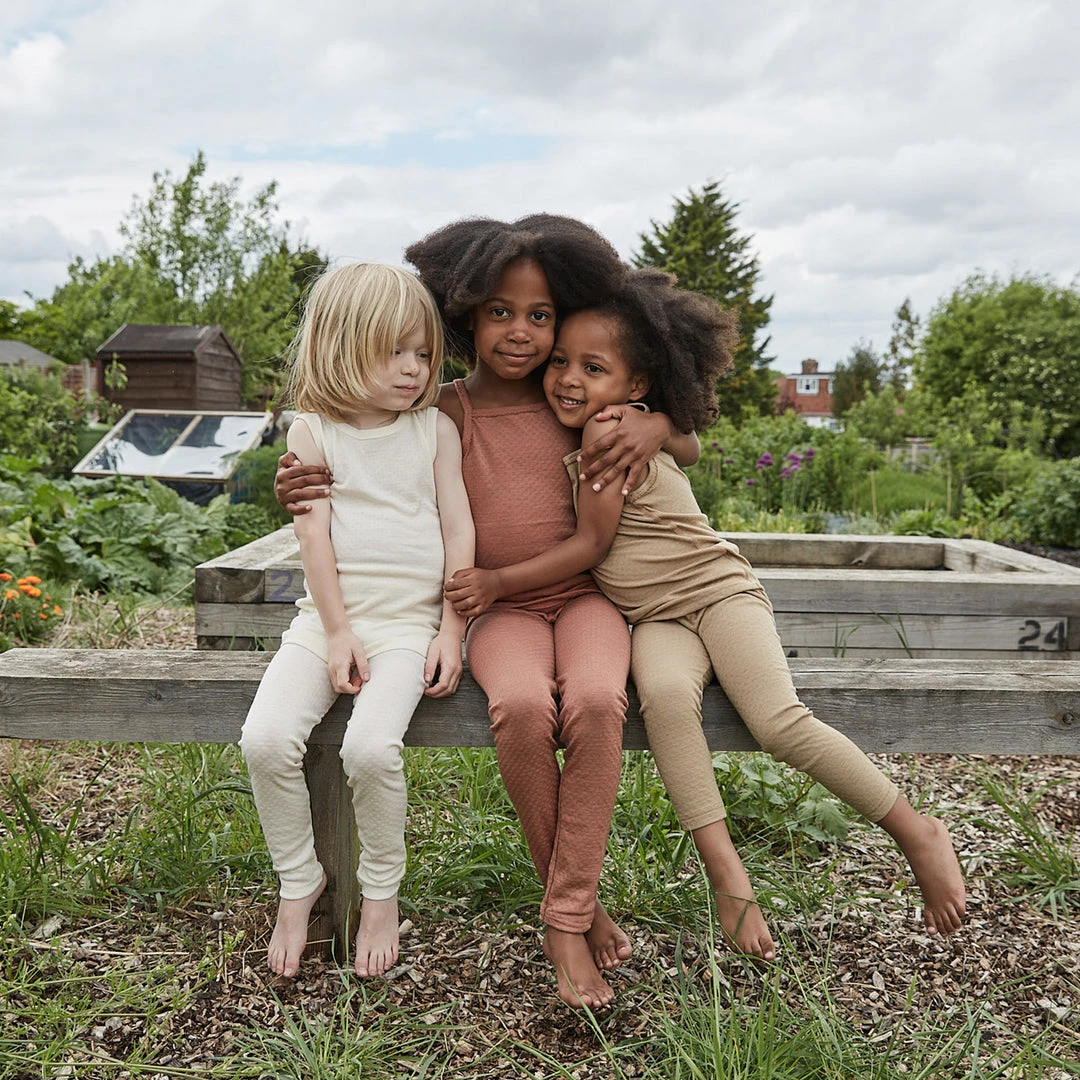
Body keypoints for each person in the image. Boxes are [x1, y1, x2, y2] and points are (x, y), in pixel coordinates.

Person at [445, 269, 967, 957]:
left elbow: (592, 543)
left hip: (716, 592)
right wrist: (657, 421)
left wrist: (654, 424)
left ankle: (913, 828)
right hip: (655, 616)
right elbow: (677, 442)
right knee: (662, 701)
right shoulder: (592, 418)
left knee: (777, 721)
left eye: (591, 366)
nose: (567, 376)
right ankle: (726, 872)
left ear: (635, 386)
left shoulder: (607, 432)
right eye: (564, 361)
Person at [275, 215, 700, 1009]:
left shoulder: (571, 395)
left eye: (540, 316)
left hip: (585, 599)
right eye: (501, 312)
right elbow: (350, 444)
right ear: (464, 312)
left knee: (602, 700)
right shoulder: (440, 411)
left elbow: (687, 441)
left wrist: (657, 424)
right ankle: (574, 908)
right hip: (495, 608)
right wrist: (293, 477)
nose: (522, 332)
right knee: (517, 706)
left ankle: (563, 917)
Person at [240, 262, 475, 981]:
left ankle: (380, 891)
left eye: (424, 353)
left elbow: (460, 530)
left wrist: (451, 631)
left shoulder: (433, 428)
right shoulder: (313, 431)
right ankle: (298, 880)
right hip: (325, 623)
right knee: (264, 739)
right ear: (342, 346)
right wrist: (337, 633)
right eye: (392, 351)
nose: (413, 369)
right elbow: (313, 539)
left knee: (371, 751)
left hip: (409, 628)